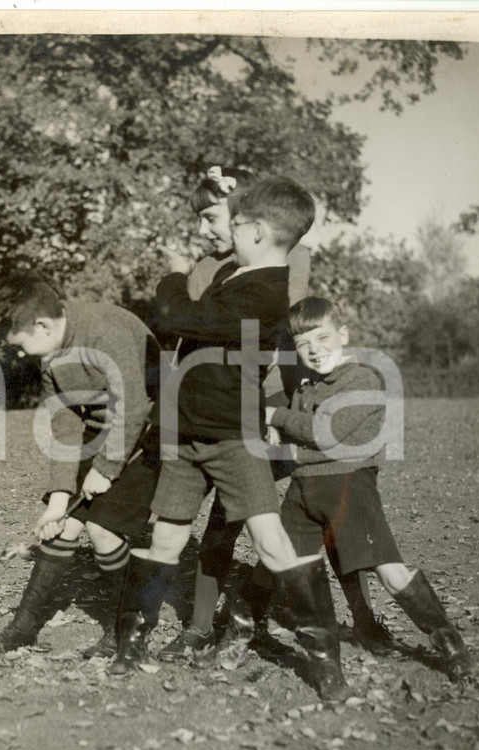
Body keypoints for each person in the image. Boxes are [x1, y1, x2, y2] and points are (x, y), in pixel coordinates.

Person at [121, 175, 352, 703]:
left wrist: (173, 274)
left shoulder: (265, 290)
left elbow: (177, 315)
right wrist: (232, 201)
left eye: (235, 222)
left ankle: (325, 661)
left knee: (270, 539)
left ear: (258, 231)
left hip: (232, 436)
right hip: (189, 433)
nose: (224, 229)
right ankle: (130, 646)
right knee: (166, 538)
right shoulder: (236, 274)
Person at [263, 297, 475, 679]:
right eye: (303, 344)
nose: (314, 350)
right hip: (303, 489)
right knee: (293, 568)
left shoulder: (362, 379)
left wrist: (276, 416)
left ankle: (449, 643)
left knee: (390, 572)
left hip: (348, 486)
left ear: (343, 335)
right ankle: (325, 665)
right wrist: (276, 429)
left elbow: (322, 433)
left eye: (323, 338)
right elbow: (295, 441)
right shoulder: (306, 387)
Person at [155, 165, 317, 663]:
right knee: (222, 526)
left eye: (210, 217)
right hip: (212, 411)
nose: (203, 231)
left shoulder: (289, 260)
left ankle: (257, 622)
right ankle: (206, 626)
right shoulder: (213, 267)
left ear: (244, 219)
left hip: (261, 407)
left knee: (259, 523)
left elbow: (285, 335)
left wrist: (293, 404)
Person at [0, 273, 161, 658]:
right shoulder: (51, 354)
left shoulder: (105, 331)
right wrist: (59, 497)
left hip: (152, 431)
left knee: (102, 534)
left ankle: (127, 627)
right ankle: (24, 626)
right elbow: (63, 421)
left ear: (42, 325)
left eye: (22, 344)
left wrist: (106, 468)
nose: (24, 354)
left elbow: (135, 408)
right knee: (61, 529)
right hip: (103, 434)